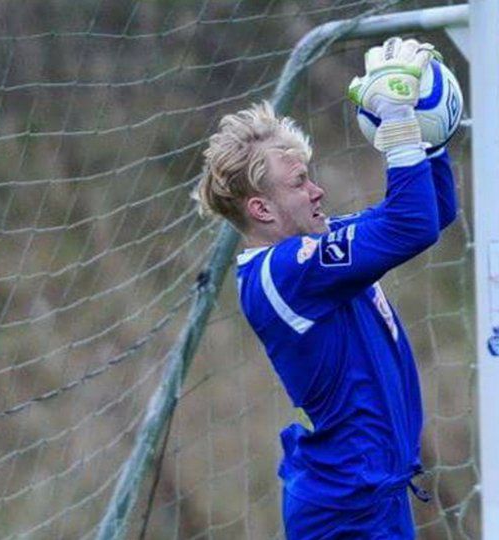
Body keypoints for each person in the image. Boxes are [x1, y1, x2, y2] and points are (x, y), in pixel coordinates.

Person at [194, 37, 457, 539]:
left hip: (372, 500)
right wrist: (396, 119)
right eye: (298, 183)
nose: (316, 191)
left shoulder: (315, 247)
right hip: (346, 516)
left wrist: (428, 138)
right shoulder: (286, 272)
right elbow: (411, 225)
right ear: (262, 210)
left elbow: (432, 214)